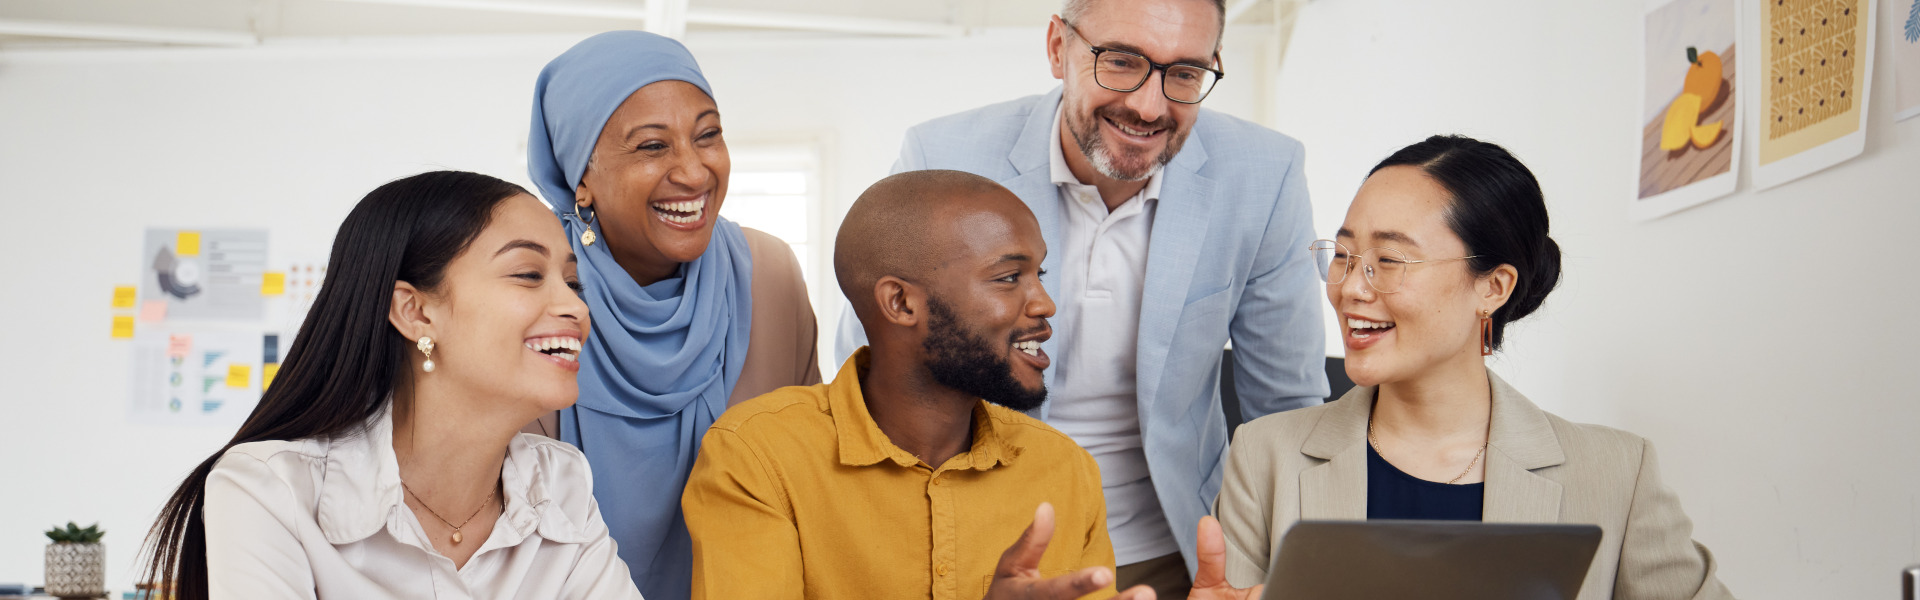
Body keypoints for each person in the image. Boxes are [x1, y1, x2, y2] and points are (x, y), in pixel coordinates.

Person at [833, 0, 1326, 594]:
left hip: (1176, 548)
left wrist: (1302, 579)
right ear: (1057, 49)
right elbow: (873, 379)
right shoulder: (945, 157)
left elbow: (1289, 409)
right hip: (976, 541)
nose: (1149, 106)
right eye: (1120, 61)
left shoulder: (1263, 175)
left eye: (1186, 74)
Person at [686, 170, 1262, 600]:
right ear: (901, 303)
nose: (1044, 303)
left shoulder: (1064, 471)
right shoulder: (756, 458)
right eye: (1009, 278)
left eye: (1040, 273)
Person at [1213, 135, 1736, 599]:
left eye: (1390, 260)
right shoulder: (1264, 457)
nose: (1350, 286)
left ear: (1493, 287)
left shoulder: (1618, 475)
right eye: (1344, 254)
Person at [138, 171, 641, 600]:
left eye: (572, 283)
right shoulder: (271, 489)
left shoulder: (560, 483)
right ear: (416, 312)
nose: (575, 308)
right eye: (529, 274)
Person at [525, 31, 822, 599]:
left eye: (708, 135)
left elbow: (806, 472)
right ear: (580, 178)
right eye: (651, 147)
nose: (693, 172)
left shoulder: (770, 273)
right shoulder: (535, 294)